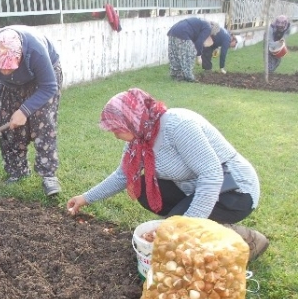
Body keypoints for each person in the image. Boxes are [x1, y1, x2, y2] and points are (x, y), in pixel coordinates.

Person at [66, 88, 269, 262]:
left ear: (132, 119)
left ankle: (246, 239)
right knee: (145, 189)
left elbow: (212, 175)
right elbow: (123, 176)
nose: (114, 134)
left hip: (235, 191)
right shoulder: (139, 139)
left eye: (117, 127)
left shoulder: (178, 125)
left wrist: (184, 225)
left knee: (175, 236)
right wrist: (85, 198)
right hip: (194, 188)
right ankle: (202, 225)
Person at [0, 25, 63, 196]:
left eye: (9, 66)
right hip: (9, 87)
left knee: (43, 123)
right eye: (1, 68)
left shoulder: (35, 50)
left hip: (42, 80)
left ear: (21, 54)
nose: (6, 71)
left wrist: (24, 110)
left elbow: (49, 86)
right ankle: (17, 170)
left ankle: (48, 175)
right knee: (7, 123)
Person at [167, 17, 212, 82]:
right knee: (188, 54)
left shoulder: (201, 23)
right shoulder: (208, 28)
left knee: (175, 55)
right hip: (183, 32)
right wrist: (199, 56)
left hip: (173, 31)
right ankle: (189, 77)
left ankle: (176, 75)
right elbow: (199, 42)